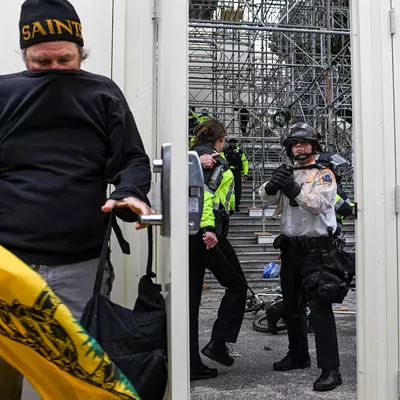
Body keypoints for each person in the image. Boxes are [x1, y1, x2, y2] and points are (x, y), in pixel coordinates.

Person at [0, 0, 153, 398]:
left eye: (63, 60)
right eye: (41, 62)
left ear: (80, 52)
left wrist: (129, 193)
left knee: (70, 380)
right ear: (24, 54)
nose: (53, 71)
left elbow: (133, 160)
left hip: (80, 264)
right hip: (6, 265)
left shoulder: (102, 93)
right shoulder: (3, 94)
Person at [259, 122, 342, 392]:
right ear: (289, 148)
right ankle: (298, 355)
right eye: (294, 143)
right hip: (291, 249)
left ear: (314, 146)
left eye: (304, 143)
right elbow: (266, 199)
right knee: (292, 307)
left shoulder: (324, 174)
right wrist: (271, 186)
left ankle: (331, 369)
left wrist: (294, 190)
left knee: (320, 309)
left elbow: (319, 204)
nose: (299, 147)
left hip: (317, 250)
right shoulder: (288, 173)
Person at [189, 120, 247, 382]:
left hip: (190, 235)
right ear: (220, 139)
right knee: (237, 286)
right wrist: (209, 228)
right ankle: (218, 343)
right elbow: (205, 194)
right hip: (209, 234)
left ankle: (190, 363)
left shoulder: (191, 157)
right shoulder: (213, 159)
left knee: (190, 302)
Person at [223, 138, 248, 212]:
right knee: (227, 189)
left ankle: (236, 205)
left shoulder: (240, 152)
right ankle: (227, 205)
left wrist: (245, 174)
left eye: (234, 142)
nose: (232, 144)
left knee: (237, 189)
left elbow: (245, 163)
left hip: (237, 172)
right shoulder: (225, 151)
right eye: (231, 142)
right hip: (228, 171)